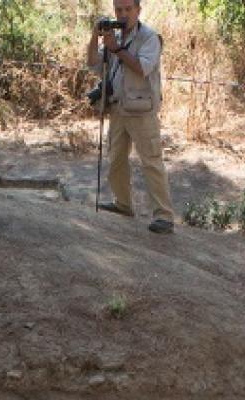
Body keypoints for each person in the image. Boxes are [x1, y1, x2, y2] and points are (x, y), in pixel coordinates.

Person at [85, 0, 175, 235]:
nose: (123, 15)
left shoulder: (149, 37)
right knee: (116, 159)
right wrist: (96, 36)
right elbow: (92, 63)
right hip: (118, 109)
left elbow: (142, 67)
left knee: (151, 161)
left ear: (138, 10)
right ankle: (123, 204)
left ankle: (164, 216)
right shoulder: (116, 36)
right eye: (119, 10)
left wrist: (116, 49)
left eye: (127, 10)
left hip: (142, 110)